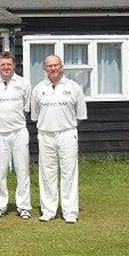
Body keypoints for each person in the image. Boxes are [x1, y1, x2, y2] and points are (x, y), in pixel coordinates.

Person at [30, 54, 87, 223]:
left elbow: (80, 115)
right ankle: (48, 210)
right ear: (44, 68)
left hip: (67, 133)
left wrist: (65, 125)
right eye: (49, 66)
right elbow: (35, 115)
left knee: (69, 173)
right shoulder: (38, 89)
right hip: (46, 134)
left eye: (56, 65)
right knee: (47, 174)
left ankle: (70, 212)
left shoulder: (74, 87)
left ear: (61, 66)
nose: (53, 68)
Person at [0, 51, 32, 219]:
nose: (6, 67)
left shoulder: (24, 83)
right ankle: (0, 205)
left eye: (8, 64)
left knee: (22, 170)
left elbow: (26, 108)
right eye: (2, 64)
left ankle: (24, 206)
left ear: (14, 65)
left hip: (19, 132)